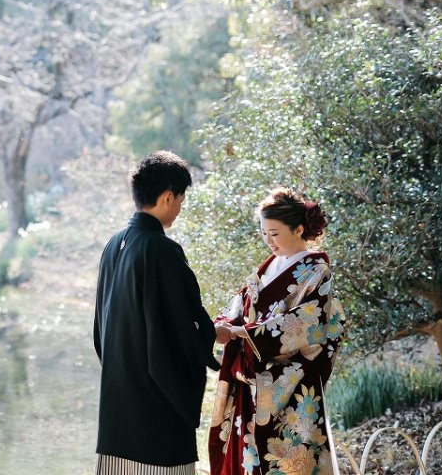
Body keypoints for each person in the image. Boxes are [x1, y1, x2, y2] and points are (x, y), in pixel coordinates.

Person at [94, 151, 226, 475]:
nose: (180, 208)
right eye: (181, 199)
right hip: (155, 412)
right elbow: (180, 327)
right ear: (168, 197)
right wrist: (215, 333)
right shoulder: (161, 250)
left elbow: (101, 330)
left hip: (118, 403)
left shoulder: (113, 245)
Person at [209, 188, 346, 475]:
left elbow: (309, 322)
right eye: (263, 234)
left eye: (274, 233)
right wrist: (222, 324)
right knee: (248, 460)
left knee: (288, 460)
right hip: (252, 380)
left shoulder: (316, 270)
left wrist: (247, 333)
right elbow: (241, 303)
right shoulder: (270, 266)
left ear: (298, 229)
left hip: (289, 383)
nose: (269, 242)